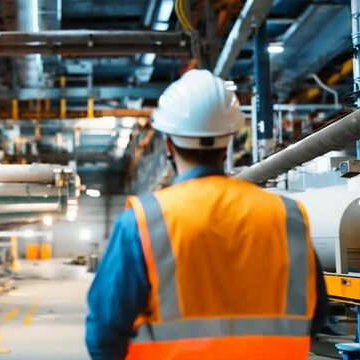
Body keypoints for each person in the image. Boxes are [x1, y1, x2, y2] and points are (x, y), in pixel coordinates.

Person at [85, 69, 327, 360]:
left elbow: (104, 332)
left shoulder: (145, 221)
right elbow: (315, 318)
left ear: (168, 145)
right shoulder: (287, 216)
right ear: (227, 144)